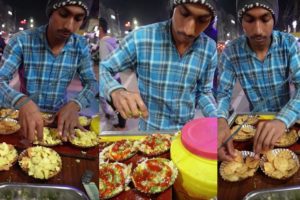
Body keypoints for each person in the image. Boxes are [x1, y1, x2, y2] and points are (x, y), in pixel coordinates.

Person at [100, 0, 218, 130]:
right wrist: (115, 91)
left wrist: (217, 119)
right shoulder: (141, 38)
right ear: (173, 7)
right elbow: (103, 68)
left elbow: (204, 92)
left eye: (202, 20)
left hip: (184, 136)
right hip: (148, 136)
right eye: (184, 14)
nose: (189, 30)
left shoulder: (209, 48)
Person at [0, 0, 97, 141]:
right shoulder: (22, 40)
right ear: (50, 13)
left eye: (78, 18)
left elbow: (92, 83)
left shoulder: (81, 45)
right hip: (25, 117)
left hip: (59, 119)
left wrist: (76, 104)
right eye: (63, 14)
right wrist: (21, 101)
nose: (69, 27)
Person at [217, 0, 300, 161]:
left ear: (274, 19)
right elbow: (223, 94)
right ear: (241, 21)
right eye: (249, 20)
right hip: (254, 122)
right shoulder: (231, 52)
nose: (258, 31)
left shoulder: (288, 44)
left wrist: (282, 119)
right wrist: (220, 120)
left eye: (265, 19)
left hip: (288, 119)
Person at [99, 17, 126, 129]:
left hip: (109, 79)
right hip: (117, 77)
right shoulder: (113, 41)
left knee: (114, 103)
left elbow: (104, 65)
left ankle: (121, 123)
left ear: (100, 29)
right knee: (115, 102)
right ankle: (121, 120)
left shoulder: (103, 43)